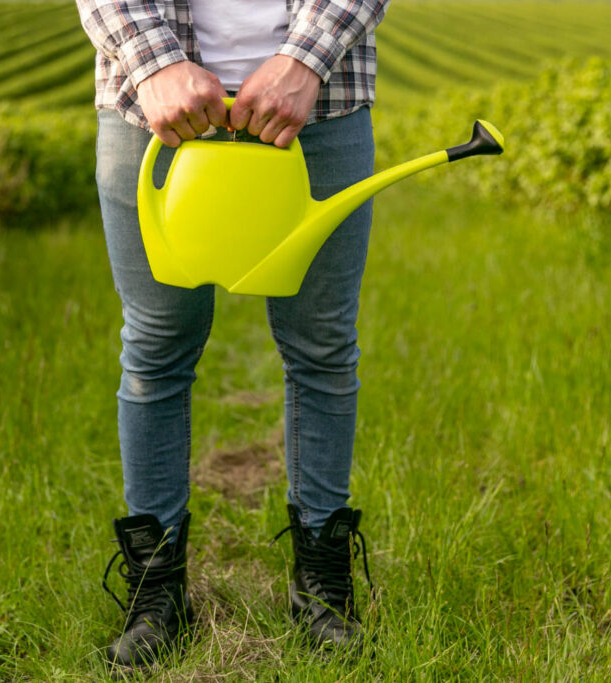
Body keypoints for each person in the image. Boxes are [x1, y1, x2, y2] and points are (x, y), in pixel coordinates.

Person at [75, 0, 391, 672]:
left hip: (322, 105)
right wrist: (155, 63)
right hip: (150, 111)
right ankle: (158, 593)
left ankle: (322, 588)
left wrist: (306, 59)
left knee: (323, 349)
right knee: (155, 349)